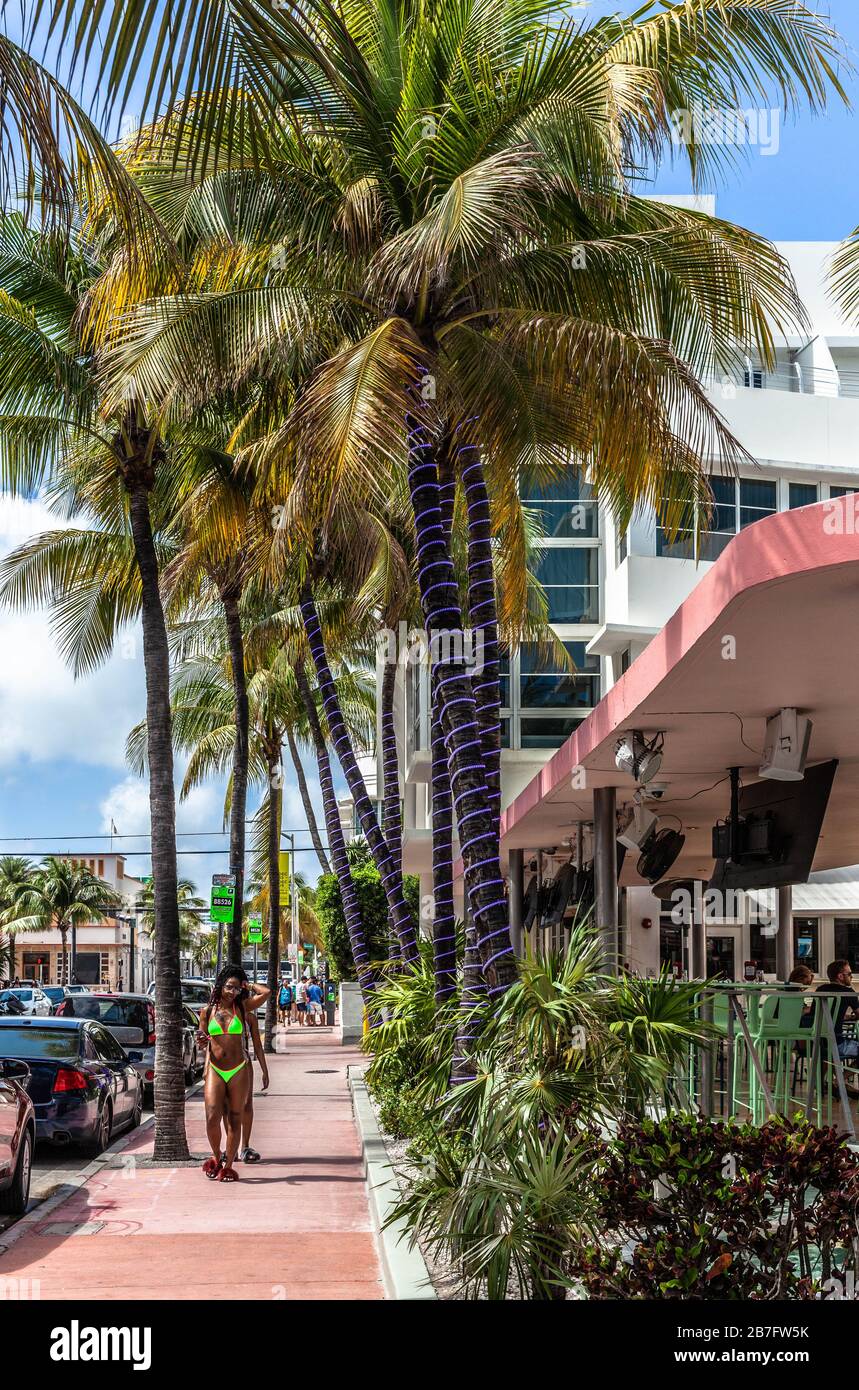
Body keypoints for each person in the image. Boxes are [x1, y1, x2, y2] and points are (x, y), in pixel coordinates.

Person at [198, 966, 270, 1182]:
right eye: (229, 987)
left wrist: (246, 984)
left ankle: (228, 1166)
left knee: (235, 1117)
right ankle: (216, 1155)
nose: (232, 992)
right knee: (212, 1116)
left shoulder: (242, 1008)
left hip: (239, 1069)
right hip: (216, 1070)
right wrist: (201, 1040)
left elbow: (265, 993)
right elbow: (202, 1038)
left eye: (237, 989)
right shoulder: (207, 1011)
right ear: (220, 986)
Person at [816, 960, 859, 1059]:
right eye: (849, 974)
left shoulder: (820, 990)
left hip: (818, 1043)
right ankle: (844, 1075)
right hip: (837, 1043)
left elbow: (825, 1014)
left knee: (827, 1055)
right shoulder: (848, 992)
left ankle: (822, 1074)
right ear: (840, 976)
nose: (852, 977)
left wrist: (843, 1017)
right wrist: (853, 1017)